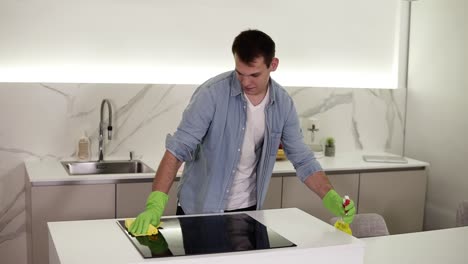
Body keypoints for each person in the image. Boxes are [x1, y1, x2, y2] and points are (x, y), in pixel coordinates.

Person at [129, 29, 355, 235]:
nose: (245, 82)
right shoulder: (212, 94)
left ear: (273, 64)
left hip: (248, 213)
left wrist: (331, 197)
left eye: (254, 75)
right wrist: (155, 204)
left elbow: (302, 160)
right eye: (240, 73)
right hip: (200, 212)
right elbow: (177, 150)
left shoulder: (283, 104)